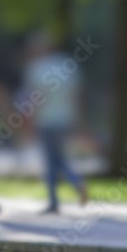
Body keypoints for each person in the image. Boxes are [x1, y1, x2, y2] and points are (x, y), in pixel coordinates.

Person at [22, 34, 88, 214]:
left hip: (45, 120)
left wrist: (29, 122)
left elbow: (34, 99)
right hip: (66, 119)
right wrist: (80, 121)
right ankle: (73, 185)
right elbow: (76, 96)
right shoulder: (67, 65)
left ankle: (56, 199)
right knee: (57, 158)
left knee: (51, 162)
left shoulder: (35, 68)